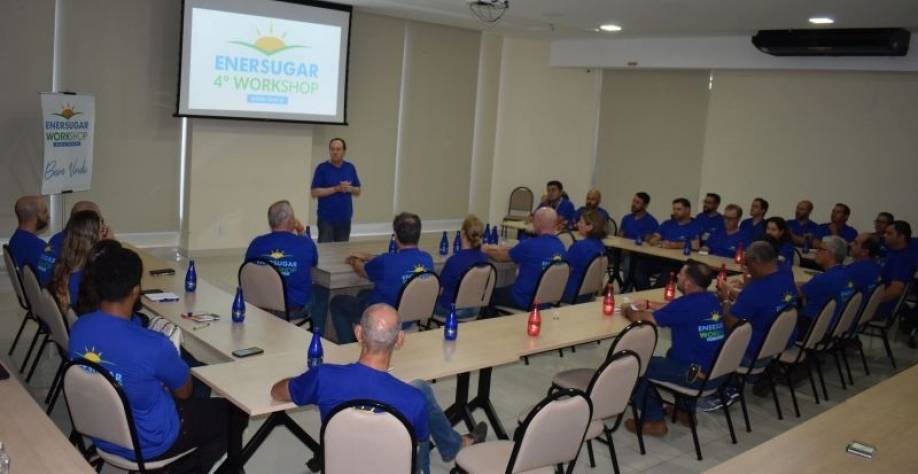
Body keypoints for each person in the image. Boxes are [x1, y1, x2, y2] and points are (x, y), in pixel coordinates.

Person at [68, 247, 242, 473]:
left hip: (101, 432)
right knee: (234, 412)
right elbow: (184, 393)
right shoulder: (155, 345)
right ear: (136, 290)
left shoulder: (78, 327)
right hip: (150, 443)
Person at [271, 304, 487, 474]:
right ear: (399, 340)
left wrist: (301, 380)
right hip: (393, 468)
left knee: (421, 387)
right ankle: (455, 446)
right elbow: (420, 440)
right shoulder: (413, 400)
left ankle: (455, 445)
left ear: (358, 333)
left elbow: (277, 392)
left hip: (343, 465)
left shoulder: (323, 377)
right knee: (420, 429)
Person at [622, 260, 726, 436]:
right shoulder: (711, 299)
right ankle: (686, 412)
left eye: (681, 274)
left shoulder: (686, 306)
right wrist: (649, 303)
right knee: (672, 353)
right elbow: (675, 308)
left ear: (688, 283)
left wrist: (627, 310)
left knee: (638, 365)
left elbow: (644, 320)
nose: (677, 275)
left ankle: (654, 420)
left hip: (697, 376)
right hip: (716, 372)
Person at [702, 241, 797, 409]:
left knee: (706, 333)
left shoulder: (758, 288)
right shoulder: (786, 277)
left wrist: (725, 300)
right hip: (779, 344)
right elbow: (760, 304)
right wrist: (743, 290)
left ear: (755, 262)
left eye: (746, 264)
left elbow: (731, 323)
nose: (745, 269)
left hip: (753, 354)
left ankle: (723, 388)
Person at [330, 212, 434, 343]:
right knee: (363, 292)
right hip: (410, 317)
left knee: (337, 302)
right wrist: (366, 256)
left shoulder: (386, 261)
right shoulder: (427, 259)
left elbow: (362, 271)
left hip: (383, 319)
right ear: (418, 235)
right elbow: (386, 261)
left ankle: (348, 347)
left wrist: (355, 260)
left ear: (396, 236)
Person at [245, 200, 320, 325]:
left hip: (260, 308)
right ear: (291, 221)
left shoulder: (255, 244)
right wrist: (301, 230)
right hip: (292, 310)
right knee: (321, 292)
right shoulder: (304, 243)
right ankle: (319, 334)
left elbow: (248, 273)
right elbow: (314, 261)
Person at [485, 207, 565, 312]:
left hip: (523, 299)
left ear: (539, 222)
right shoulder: (561, 246)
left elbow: (500, 257)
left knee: (486, 294)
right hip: (545, 301)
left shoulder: (530, 245)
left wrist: (485, 249)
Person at [37, 200, 113, 285]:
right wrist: (109, 246)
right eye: (99, 221)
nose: (103, 226)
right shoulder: (77, 260)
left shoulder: (56, 238)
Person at [48, 211, 106, 315]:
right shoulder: (85, 278)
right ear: (92, 237)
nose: (104, 236)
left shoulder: (63, 265)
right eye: (101, 232)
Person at [796, 236, 854, 336]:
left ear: (831, 254)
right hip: (836, 326)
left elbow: (795, 293)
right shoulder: (846, 274)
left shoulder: (824, 279)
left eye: (820, 249)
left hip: (816, 327)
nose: (816, 252)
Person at [435, 215, 489, 319]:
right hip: (474, 309)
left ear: (463, 233)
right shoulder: (484, 258)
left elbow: (440, 290)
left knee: (427, 303)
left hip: (451, 310)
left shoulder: (454, 261)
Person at [311, 138, 361, 242]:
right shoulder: (322, 168)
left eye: (338, 149)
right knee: (326, 250)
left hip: (345, 219)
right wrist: (335, 189)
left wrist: (350, 188)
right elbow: (314, 192)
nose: (335, 152)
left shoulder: (350, 167)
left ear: (344, 151)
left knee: (342, 250)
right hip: (326, 219)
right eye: (332, 149)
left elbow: (358, 190)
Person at [563, 209, 608, 304]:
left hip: (570, 294)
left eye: (581, 222)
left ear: (590, 227)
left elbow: (561, 267)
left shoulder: (579, 247)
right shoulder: (601, 247)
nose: (577, 224)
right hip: (588, 294)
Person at [875, 221, 917, 321]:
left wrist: (869, 302)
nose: (884, 235)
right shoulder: (893, 252)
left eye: (889, 233)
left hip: (881, 307)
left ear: (901, 237)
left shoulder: (903, 260)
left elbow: (895, 291)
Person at [617, 192, 659, 291]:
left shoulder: (651, 222)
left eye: (638, 202)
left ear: (645, 205)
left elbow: (653, 242)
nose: (634, 204)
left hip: (641, 255)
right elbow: (619, 237)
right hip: (624, 252)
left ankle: (627, 291)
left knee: (629, 262)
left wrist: (648, 238)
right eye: (633, 201)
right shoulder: (626, 219)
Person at [8, 195, 49, 272]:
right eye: (44, 212)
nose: (48, 215)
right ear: (33, 218)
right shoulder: (38, 246)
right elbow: (52, 274)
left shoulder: (14, 240)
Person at [845, 233, 882, 305]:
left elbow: (843, 295)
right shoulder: (876, 267)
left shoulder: (855, 270)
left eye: (855, 243)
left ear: (864, 252)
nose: (850, 244)